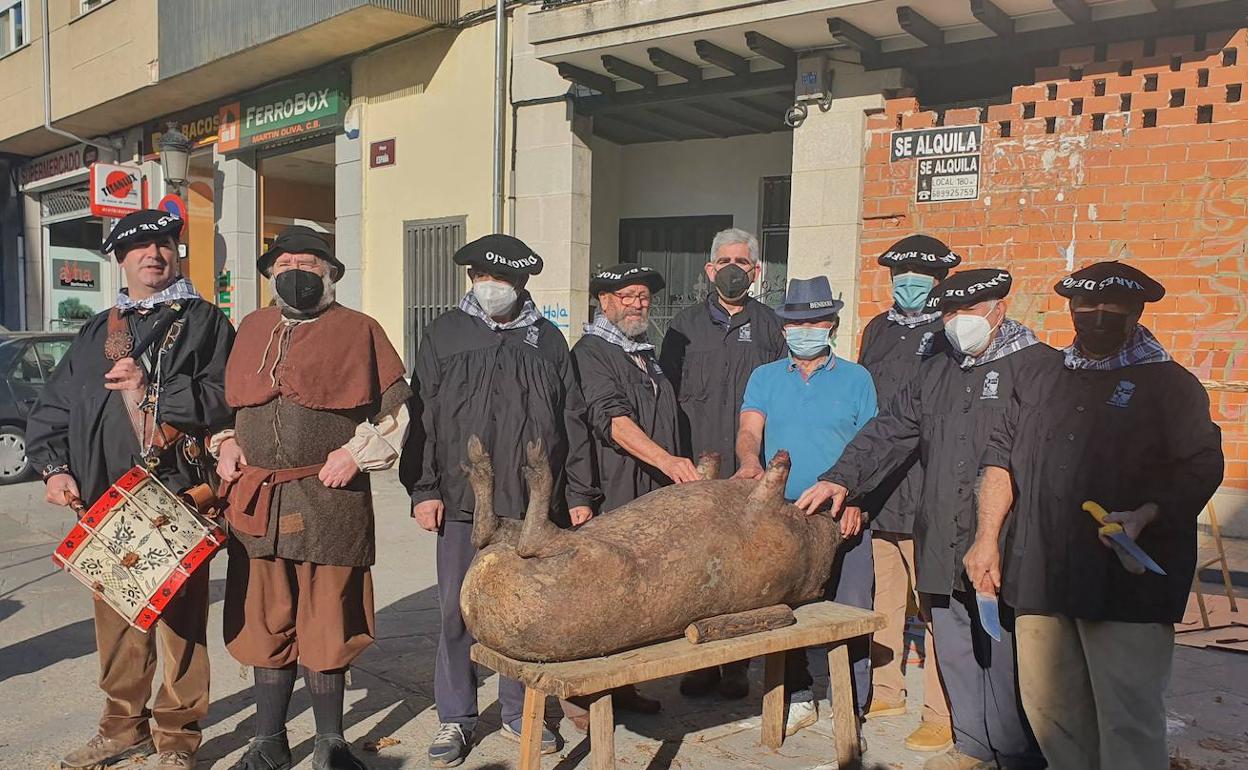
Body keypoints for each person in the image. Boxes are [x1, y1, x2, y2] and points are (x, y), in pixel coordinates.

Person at [968, 261, 1224, 770]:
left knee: (1126, 717)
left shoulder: (1170, 385)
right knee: (1050, 711)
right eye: (1087, 305)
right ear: (1071, 308)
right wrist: (986, 538)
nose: (1098, 314)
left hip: (1126, 579)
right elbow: (1000, 458)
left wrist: (1147, 514)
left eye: (1114, 307)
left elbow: (1200, 466)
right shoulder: (1042, 375)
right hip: (1041, 569)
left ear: (1137, 311)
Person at [818, 268, 1052, 770]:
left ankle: (1014, 753)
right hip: (942, 527)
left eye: (967, 312)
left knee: (1007, 649)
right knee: (952, 642)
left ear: (997, 309)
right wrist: (842, 476)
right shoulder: (936, 369)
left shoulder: (1038, 367)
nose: (956, 323)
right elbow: (890, 431)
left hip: (1009, 537)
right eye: (949, 313)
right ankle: (971, 744)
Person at [27, 210, 234, 770]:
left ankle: (177, 738)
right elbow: (55, 405)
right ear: (121, 260)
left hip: (176, 495)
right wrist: (54, 468)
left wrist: (154, 391)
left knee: (180, 625)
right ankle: (122, 728)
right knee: (117, 624)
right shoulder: (99, 330)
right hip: (105, 501)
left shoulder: (205, 321)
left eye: (164, 245)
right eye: (141, 248)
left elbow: (225, 397)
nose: (155, 255)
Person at [214, 226, 410, 770]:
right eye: (282, 265)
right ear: (271, 275)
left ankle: (330, 743)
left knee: (327, 625)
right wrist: (226, 443)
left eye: (307, 263)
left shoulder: (360, 329)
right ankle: (269, 741)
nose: (294, 272)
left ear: (330, 271)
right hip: (256, 502)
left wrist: (357, 453)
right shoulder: (250, 327)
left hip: (330, 500)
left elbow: (396, 413)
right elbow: (234, 411)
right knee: (265, 623)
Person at [402, 234, 601, 767]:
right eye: (482, 278)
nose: (491, 288)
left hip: (532, 505)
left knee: (522, 612)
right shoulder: (445, 332)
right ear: (471, 279)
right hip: (462, 499)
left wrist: (579, 493)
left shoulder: (548, 340)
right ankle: (456, 717)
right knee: (455, 612)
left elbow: (573, 420)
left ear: (522, 283)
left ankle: (520, 711)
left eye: (503, 279)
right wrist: (424, 490)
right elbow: (422, 417)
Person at [733, 276, 875, 739]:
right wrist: (750, 462)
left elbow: (874, 445)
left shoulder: (858, 379)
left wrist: (858, 499)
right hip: (786, 514)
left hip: (841, 509)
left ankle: (849, 701)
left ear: (832, 325)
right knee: (785, 606)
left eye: (815, 320)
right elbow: (750, 429)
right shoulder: (764, 377)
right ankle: (795, 695)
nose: (805, 329)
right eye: (796, 322)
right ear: (783, 329)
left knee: (849, 608)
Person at [659, 228, 786, 701]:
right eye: (725, 260)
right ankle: (699, 662)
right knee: (696, 565)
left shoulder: (773, 327)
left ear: (756, 271)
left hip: (748, 471)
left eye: (743, 261)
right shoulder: (682, 326)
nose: (734, 268)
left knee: (745, 569)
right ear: (710, 269)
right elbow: (665, 398)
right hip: (696, 470)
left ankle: (737, 664)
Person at [565, 263, 695, 720]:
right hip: (614, 491)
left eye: (644, 295)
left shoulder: (643, 352)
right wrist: (669, 461)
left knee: (635, 595)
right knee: (600, 594)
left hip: (650, 494)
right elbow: (613, 420)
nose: (639, 303)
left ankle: (623, 685)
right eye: (628, 295)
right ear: (604, 300)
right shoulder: (592, 351)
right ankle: (582, 695)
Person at [855, 235, 957, 752]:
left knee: (935, 604)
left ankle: (940, 711)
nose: (909, 281)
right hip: (880, 487)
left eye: (921, 274)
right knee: (885, 598)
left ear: (939, 281)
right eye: (900, 273)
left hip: (928, 485)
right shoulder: (877, 328)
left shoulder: (948, 332)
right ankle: (886, 690)